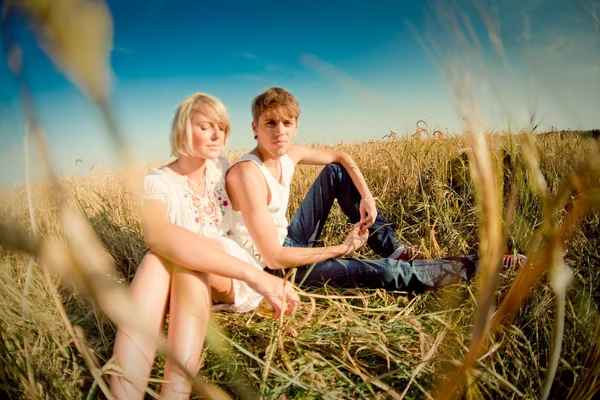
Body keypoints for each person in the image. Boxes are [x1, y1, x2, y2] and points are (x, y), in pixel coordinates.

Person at [225, 87, 526, 292]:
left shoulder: (289, 153)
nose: (279, 131)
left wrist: (367, 197)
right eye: (270, 123)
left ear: (295, 126)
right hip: (273, 268)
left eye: (286, 123)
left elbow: (341, 158)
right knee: (384, 273)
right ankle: (485, 266)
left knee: (335, 172)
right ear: (255, 127)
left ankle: (394, 249)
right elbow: (275, 258)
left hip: (289, 241)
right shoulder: (247, 173)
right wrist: (346, 248)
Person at [110, 93, 299, 400]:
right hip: (187, 267)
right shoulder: (158, 181)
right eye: (205, 126)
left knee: (184, 265)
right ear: (184, 129)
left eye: (221, 127)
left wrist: (257, 274)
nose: (217, 135)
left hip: (229, 266)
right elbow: (157, 236)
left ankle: (174, 392)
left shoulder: (221, 169)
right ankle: (123, 392)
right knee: (156, 260)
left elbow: (281, 158)